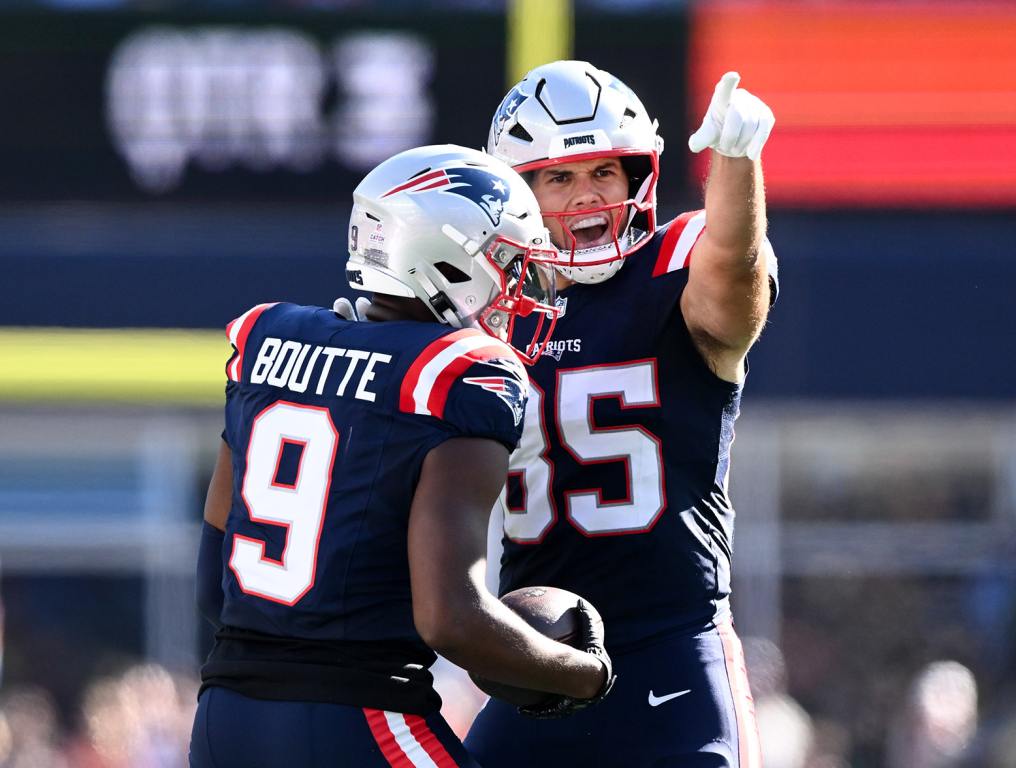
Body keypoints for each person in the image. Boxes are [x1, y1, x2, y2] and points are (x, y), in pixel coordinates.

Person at [189, 144, 614, 768]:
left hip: (224, 722)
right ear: (445, 259)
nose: (519, 289)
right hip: (360, 718)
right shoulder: (461, 374)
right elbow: (450, 618)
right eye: (508, 264)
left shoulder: (263, 340)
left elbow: (213, 587)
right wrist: (583, 675)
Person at [464, 61, 778, 767]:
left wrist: (735, 164)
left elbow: (735, 274)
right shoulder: (483, 311)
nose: (587, 197)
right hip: (535, 651)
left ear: (639, 177)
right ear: (516, 190)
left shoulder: (677, 269)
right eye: (560, 178)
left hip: (673, 644)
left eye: (605, 172)